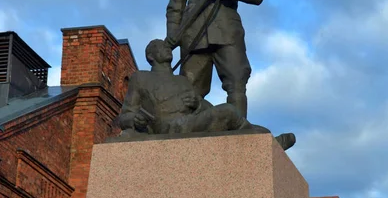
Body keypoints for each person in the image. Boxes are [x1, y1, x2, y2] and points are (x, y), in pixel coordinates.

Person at [119, 39, 295, 151]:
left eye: (166, 45)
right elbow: (125, 115)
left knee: (249, 126)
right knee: (229, 112)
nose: (166, 47)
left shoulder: (182, 81)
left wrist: (198, 104)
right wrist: (134, 120)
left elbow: (206, 109)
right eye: (159, 46)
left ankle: (265, 141)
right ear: (151, 56)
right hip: (168, 127)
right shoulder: (141, 78)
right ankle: (266, 144)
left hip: (189, 124)